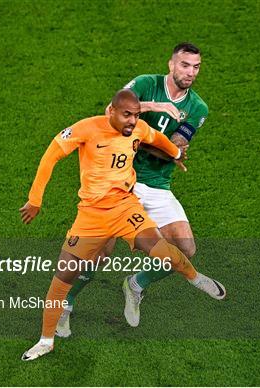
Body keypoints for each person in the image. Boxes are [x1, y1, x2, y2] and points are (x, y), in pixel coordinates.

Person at [20, 89, 225, 361]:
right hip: (91, 217)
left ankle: (195, 278)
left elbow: (157, 138)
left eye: (136, 115)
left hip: (125, 208)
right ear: (111, 112)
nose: (132, 121)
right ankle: (46, 341)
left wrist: (175, 152)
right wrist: (35, 200)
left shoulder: (139, 128)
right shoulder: (86, 129)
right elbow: (51, 155)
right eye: (127, 115)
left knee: (162, 250)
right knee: (63, 276)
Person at [57, 42, 212, 333]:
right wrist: (155, 107)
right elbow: (110, 112)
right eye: (184, 65)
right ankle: (66, 304)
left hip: (158, 185)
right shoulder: (145, 84)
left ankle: (135, 284)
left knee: (185, 248)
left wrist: (138, 140)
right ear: (171, 64)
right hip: (120, 179)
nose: (190, 72)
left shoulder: (197, 108)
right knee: (99, 252)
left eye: (196, 67)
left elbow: (175, 148)